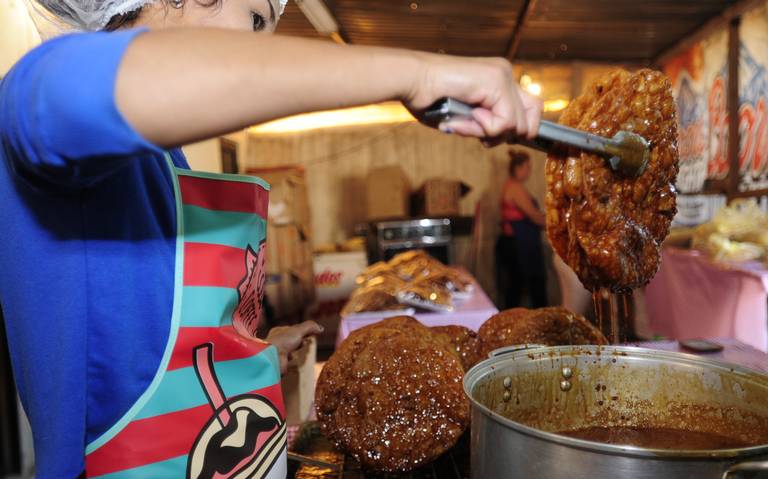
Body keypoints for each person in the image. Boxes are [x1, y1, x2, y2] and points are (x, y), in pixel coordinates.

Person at [0, 1, 542, 477]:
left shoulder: (166, 162)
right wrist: (418, 72)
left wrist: (248, 355)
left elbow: (139, 339)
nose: (263, 47)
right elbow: (87, 85)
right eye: (257, 18)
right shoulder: (39, 93)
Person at [496, 149, 547, 309]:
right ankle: (541, 323)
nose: (529, 171)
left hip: (518, 243)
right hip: (519, 245)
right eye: (528, 167)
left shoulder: (511, 185)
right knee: (525, 286)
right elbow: (534, 216)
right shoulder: (515, 188)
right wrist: (557, 224)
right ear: (519, 168)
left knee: (515, 287)